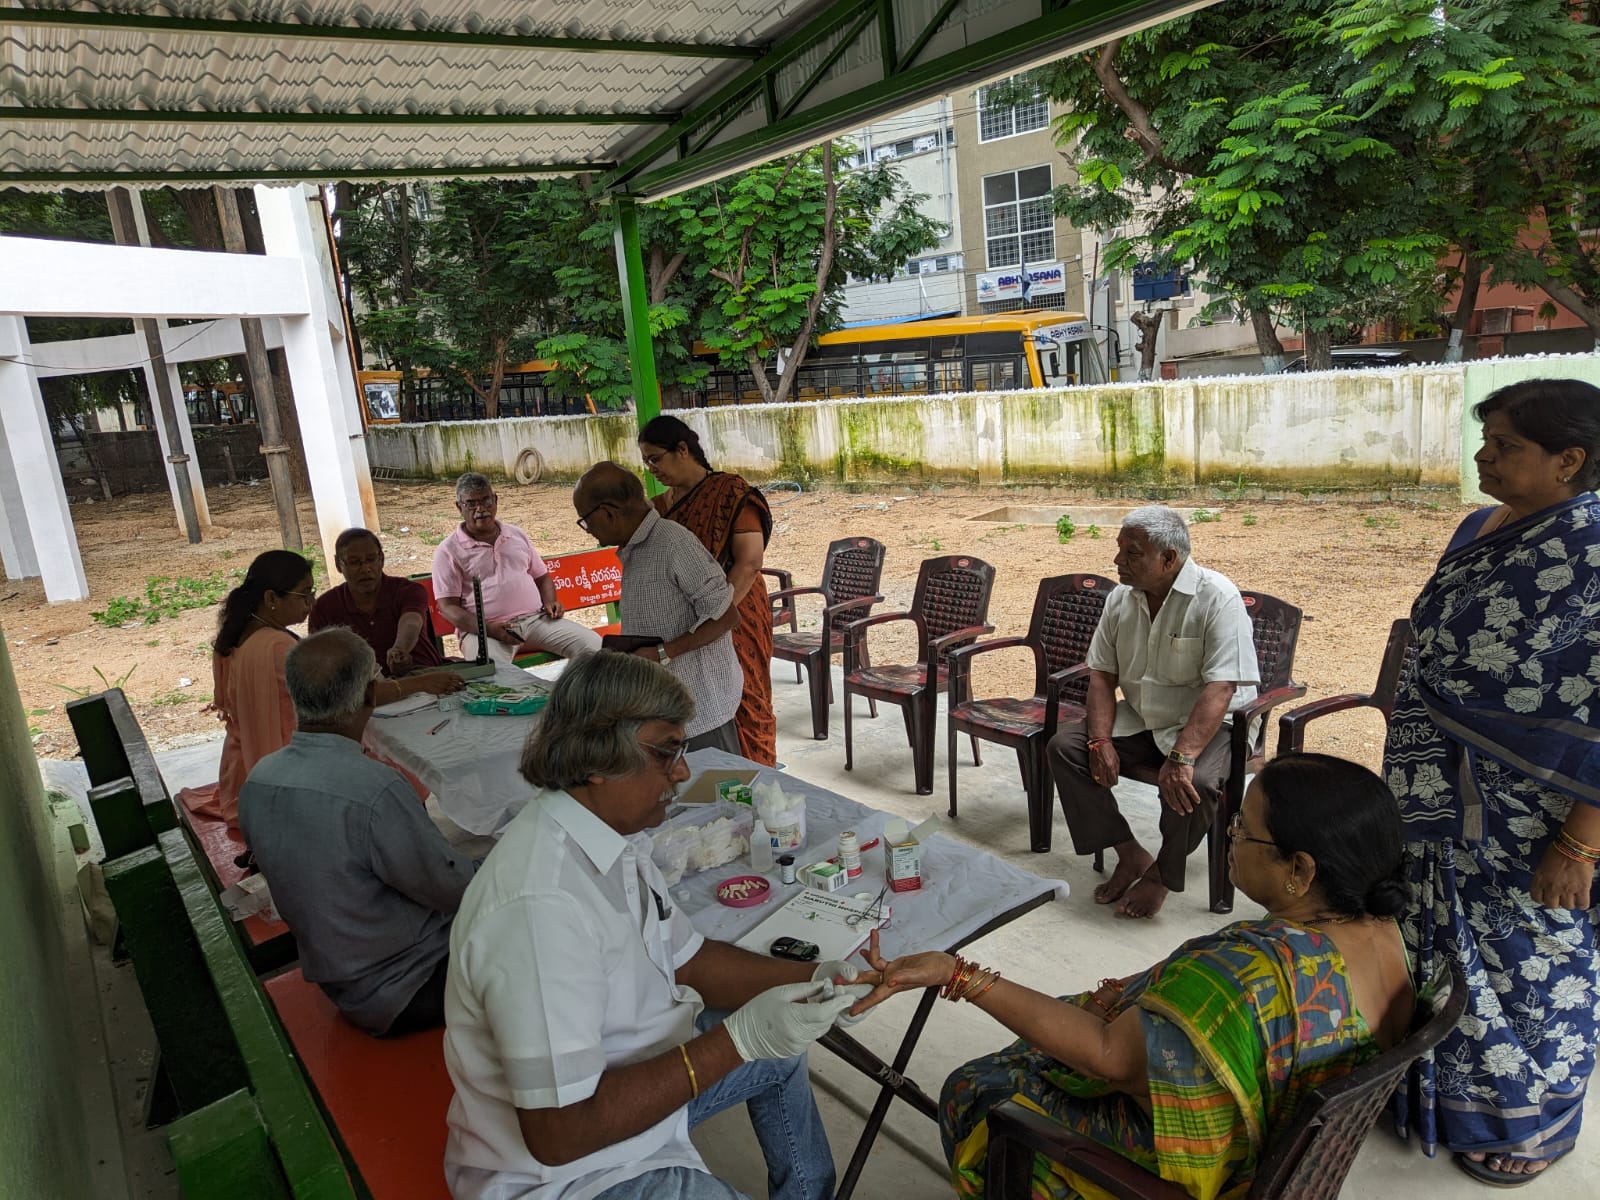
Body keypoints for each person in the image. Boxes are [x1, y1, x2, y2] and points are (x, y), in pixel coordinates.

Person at [847, 753, 1415, 1199]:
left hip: (1197, 1170)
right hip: (1278, 1146)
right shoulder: (1388, 933)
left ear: (1299, 869)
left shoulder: (1245, 972)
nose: (1230, 835)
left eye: (1245, 829)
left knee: (978, 1087)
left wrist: (957, 972)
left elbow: (1106, 1056)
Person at [443, 651, 867, 1199]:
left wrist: (813, 977)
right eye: (667, 752)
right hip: (572, 1178)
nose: (684, 771)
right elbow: (560, 1133)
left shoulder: (611, 839)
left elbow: (690, 960)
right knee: (758, 1043)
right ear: (598, 756)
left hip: (629, 1121)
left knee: (780, 1050)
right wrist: (737, 1040)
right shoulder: (540, 907)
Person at [1385, 377, 1600, 1186]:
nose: (1485, 454)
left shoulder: (1592, 553)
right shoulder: (1482, 526)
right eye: (1488, 439)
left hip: (1535, 818)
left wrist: (1580, 842)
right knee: (1432, 946)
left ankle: (1538, 1122)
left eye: (1506, 444)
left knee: (1530, 963)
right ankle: (1438, 1098)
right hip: (1435, 792)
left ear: (1568, 460)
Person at [238, 628, 477, 1037]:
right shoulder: (373, 789)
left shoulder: (261, 778)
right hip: (408, 985)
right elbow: (452, 888)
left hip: (344, 982)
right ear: (369, 694)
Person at [1046, 505, 1260, 918]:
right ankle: (1129, 853)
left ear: (1168, 559)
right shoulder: (1120, 601)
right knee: (1066, 748)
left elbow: (1222, 687)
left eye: (1132, 552)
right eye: (1119, 549)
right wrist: (1100, 739)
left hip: (1212, 725)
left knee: (1193, 782)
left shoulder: (1217, 597)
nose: (1117, 561)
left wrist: (1181, 757)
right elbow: (1102, 677)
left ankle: (1162, 875)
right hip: (1144, 718)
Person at [572, 462, 744, 754]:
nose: (587, 530)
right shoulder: (635, 547)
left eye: (585, 521)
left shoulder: (673, 543)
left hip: (701, 711)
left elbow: (726, 616)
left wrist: (664, 652)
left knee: (715, 794)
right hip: (663, 708)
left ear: (608, 512)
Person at [638, 416, 777, 766]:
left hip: (737, 612)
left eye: (656, 458)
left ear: (682, 450)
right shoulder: (657, 509)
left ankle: (760, 779)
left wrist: (714, 618)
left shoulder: (731, 493)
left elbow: (748, 564)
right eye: (646, 463)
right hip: (684, 623)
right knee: (694, 701)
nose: (652, 468)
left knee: (747, 698)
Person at [177, 550, 314, 828]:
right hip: (273, 774)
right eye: (304, 594)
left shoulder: (234, 634)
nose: (311, 602)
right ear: (271, 598)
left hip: (238, 774)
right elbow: (325, 699)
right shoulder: (277, 646)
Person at [432, 472, 602, 665]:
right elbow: (448, 607)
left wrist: (550, 601)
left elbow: (542, 577)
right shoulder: (448, 551)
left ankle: (571, 694)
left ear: (495, 500)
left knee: (594, 647)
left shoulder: (516, 535)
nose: (480, 509)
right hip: (485, 632)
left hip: (536, 621)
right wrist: (489, 629)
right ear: (458, 507)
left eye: (486, 500)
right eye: (471, 503)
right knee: (492, 672)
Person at [311, 527, 444, 675]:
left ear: (381, 559)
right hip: (364, 691)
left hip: (423, 676)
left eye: (371, 559)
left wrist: (400, 649)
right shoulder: (324, 607)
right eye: (355, 562)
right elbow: (319, 659)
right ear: (338, 564)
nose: (365, 568)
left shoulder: (408, 590)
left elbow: (412, 621)